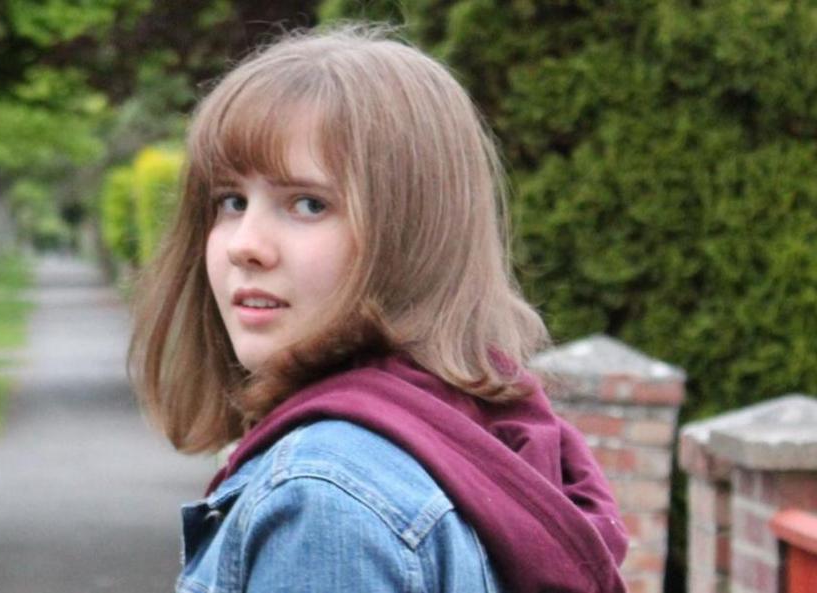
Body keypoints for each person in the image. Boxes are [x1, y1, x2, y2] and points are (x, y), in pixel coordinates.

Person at [129, 24, 628, 593]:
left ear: (409, 235)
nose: (245, 243)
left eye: (308, 204)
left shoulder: (324, 498)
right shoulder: (473, 442)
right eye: (231, 201)